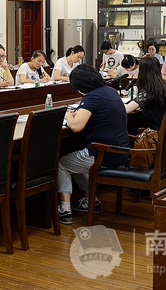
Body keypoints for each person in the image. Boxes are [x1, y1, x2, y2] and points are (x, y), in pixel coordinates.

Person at [58, 65, 129, 224]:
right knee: (74, 158)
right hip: (120, 151)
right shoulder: (110, 91)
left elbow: (76, 126)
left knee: (62, 164)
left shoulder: (92, 97)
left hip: (103, 154)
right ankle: (91, 200)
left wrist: (69, 115)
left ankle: (65, 209)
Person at [124, 56, 166, 130]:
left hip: (155, 133)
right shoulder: (164, 85)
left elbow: (126, 109)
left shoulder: (149, 89)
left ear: (143, 72)